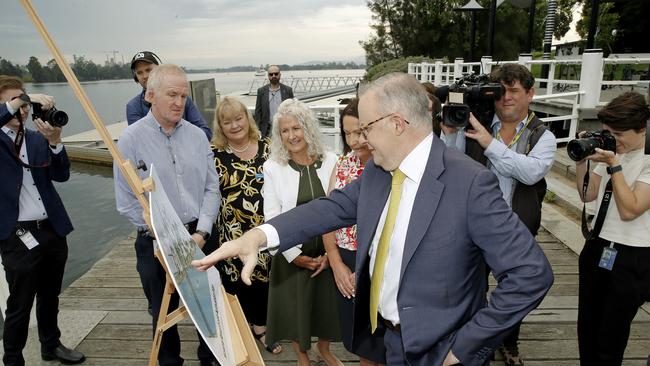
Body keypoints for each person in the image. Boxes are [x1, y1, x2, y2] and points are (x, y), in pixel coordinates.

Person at [193, 72, 554, 366]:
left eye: (366, 128)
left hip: (443, 352)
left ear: (397, 124)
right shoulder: (380, 172)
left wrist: (466, 346)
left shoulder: (471, 183)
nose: (360, 140)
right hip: (387, 343)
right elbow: (328, 208)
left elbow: (531, 274)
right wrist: (257, 237)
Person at [440, 63, 557, 366]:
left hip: (515, 229)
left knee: (513, 290)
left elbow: (530, 173)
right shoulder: (475, 122)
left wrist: (489, 143)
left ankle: (510, 341)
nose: (506, 98)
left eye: (514, 90)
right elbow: (449, 159)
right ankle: (474, 343)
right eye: (500, 91)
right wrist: (450, 130)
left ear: (531, 93)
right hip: (471, 227)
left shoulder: (542, 136)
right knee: (471, 288)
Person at [113, 64, 221, 366]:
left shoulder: (199, 137)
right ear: (150, 95)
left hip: (199, 239)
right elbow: (127, 202)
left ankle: (210, 358)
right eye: (171, 94)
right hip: (155, 241)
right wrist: (164, 236)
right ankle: (170, 361)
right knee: (162, 310)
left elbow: (212, 188)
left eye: (183, 96)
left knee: (208, 306)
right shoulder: (131, 140)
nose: (179, 102)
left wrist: (201, 232)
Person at [0, 76, 85, 365]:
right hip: (16, 234)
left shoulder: (36, 138)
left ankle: (51, 345)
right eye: (16, 103)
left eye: (26, 106)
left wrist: (56, 143)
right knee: (20, 304)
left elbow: (61, 175)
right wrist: (27, 97)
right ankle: (12, 359)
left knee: (50, 296)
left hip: (51, 230)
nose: (23, 111)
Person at [262, 99, 341, 366]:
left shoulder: (333, 160)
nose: (292, 135)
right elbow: (271, 217)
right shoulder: (273, 168)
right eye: (285, 130)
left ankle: (324, 349)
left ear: (308, 128)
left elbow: (344, 210)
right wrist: (295, 256)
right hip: (291, 259)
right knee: (296, 313)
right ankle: (302, 357)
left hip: (329, 256)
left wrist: (333, 255)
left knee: (327, 310)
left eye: (297, 128)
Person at [574, 91, 650, 366]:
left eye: (619, 133)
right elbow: (588, 195)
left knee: (610, 336)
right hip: (598, 246)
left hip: (633, 255)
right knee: (587, 330)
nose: (613, 139)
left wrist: (614, 166)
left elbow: (631, 209)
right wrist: (582, 159)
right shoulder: (611, 148)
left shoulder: (647, 158)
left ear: (642, 128)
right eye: (608, 132)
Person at [211, 97, 281, 355]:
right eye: (226, 121)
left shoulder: (268, 147)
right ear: (220, 125)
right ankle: (248, 327)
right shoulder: (214, 153)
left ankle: (262, 325)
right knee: (239, 282)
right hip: (232, 231)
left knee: (265, 280)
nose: (234, 125)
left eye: (238, 118)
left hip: (265, 229)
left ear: (247, 118)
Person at [322, 98, 386, 366]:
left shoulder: (388, 165)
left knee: (385, 338)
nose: (353, 140)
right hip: (347, 262)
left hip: (380, 262)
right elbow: (326, 218)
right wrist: (336, 265)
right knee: (362, 342)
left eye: (358, 132)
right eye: (347, 133)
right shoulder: (343, 165)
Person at [125, 51, 212, 140]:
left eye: (148, 70)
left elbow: (206, 133)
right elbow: (141, 141)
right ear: (136, 77)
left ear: (160, 70)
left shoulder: (182, 98)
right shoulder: (133, 106)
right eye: (139, 73)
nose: (145, 76)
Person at [254, 65, 294, 138]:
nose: (273, 76)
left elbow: (293, 110)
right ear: (268, 76)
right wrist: (257, 129)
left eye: (276, 74)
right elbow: (258, 112)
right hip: (267, 129)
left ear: (280, 75)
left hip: (284, 127)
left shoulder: (288, 90)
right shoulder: (261, 91)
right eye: (271, 74)